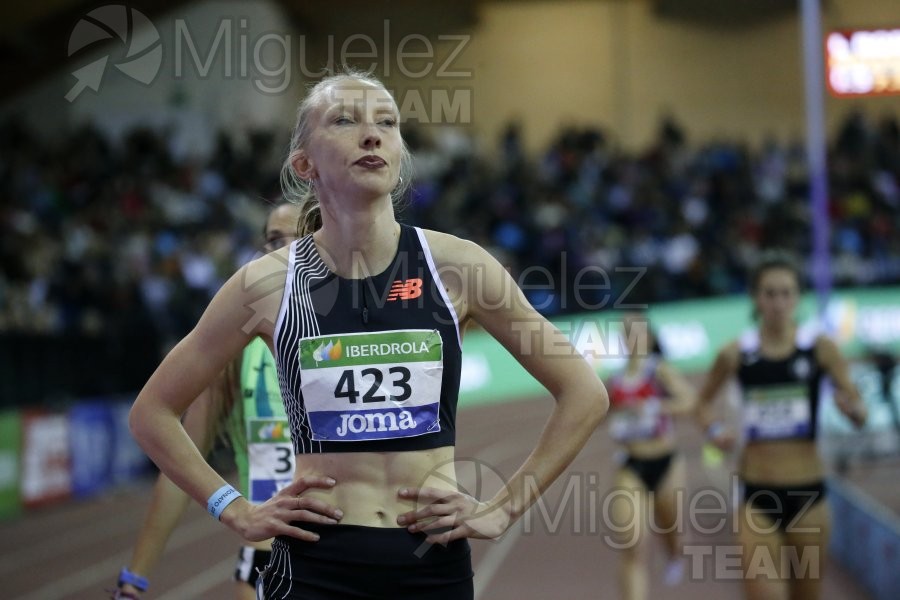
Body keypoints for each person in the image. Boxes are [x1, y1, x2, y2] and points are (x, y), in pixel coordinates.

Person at [129, 70, 609, 599]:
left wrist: (504, 508)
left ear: (400, 152)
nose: (372, 134)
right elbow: (152, 412)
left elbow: (584, 392)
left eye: (387, 122)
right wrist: (234, 509)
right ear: (304, 163)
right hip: (315, 564)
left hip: (431, 562)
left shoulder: (458, 268)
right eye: (344, 120)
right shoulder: (265, 286)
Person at [113, 202, 305, 600]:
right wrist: (135, 580)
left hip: (353, 549)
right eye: (274, 240)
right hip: (269, 557)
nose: (285, 250)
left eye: (300, 236)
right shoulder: (237, 347)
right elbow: (180, 464)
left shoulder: (358, 336)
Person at [697, 250, 868, 600]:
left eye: (786, 293)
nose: (778, 302)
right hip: (756, 495)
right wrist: (716, 432)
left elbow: (860, 411)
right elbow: (701, 405)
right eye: (770, 293)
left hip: (808, 494)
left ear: (797, 298)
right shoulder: (735, 353)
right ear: (755, 298)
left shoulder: (820, 349)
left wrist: (850, 409)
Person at [605, 312, 695, 600]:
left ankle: (674, 555)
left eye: (637, 332)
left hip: (666, 462)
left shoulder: (659, 371)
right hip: (630, 465)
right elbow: (603, 415)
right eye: (626, 333)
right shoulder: (616, 379)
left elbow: (689, 401)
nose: (631, 338)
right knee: (632, 543)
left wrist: (654, 407)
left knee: (671, 527)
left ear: (649, 337)